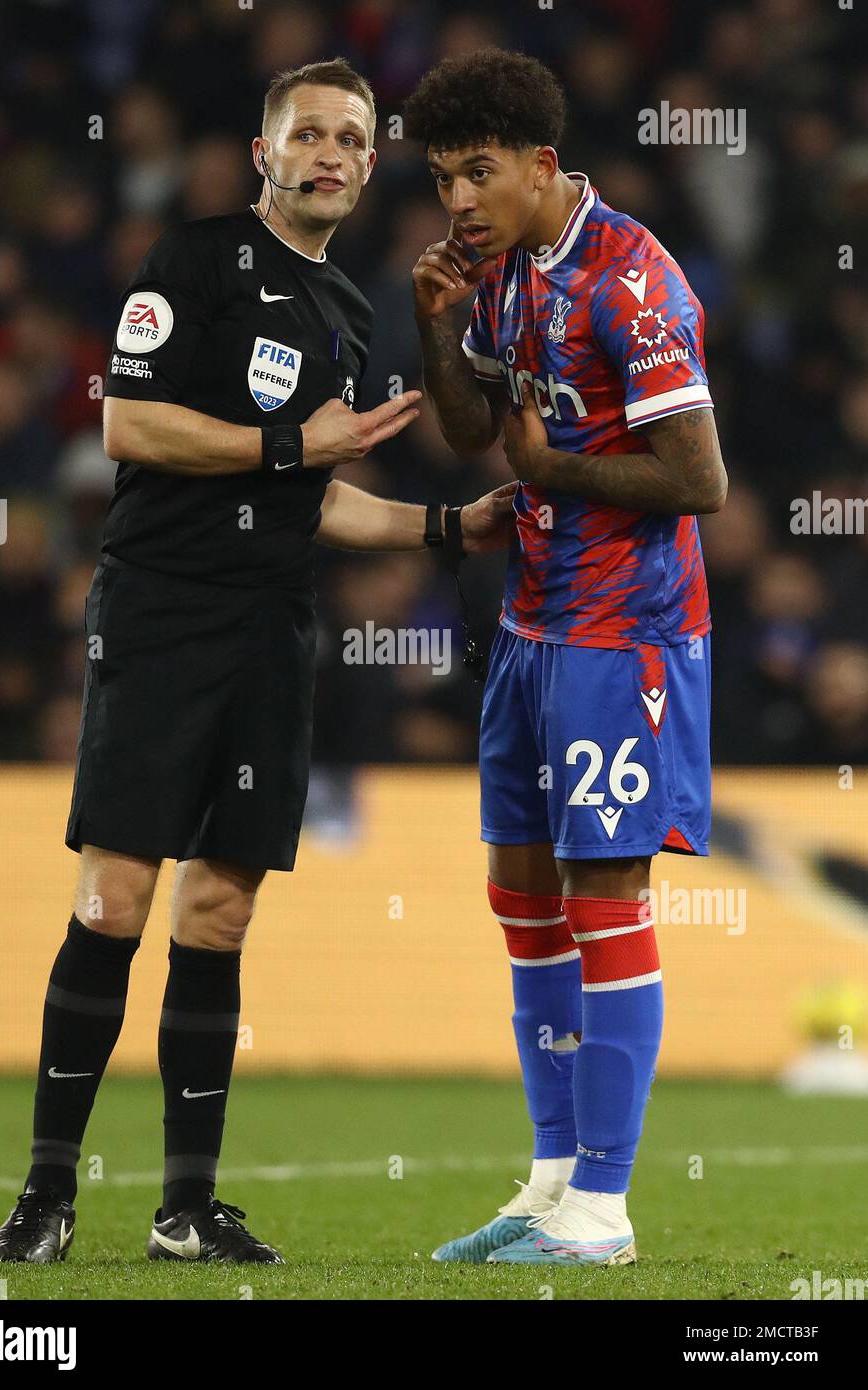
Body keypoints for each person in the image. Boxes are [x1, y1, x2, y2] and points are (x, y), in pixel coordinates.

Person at [0, 57, 515, 1267]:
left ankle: (186, 1206)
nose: (329, 153)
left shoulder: (347, 312)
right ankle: (46, 1193)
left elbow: (311, 497)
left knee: (218, 911)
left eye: (350, 138)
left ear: (370, 167)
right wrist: (290, 441)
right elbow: (130, 422)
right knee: (114, 895)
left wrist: (446, 527)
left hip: (272, 630)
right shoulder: (193, 260)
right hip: (163, 610)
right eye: (307, 134)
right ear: (267, 152)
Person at [406, 47, 727, 1266]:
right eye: (442, 177)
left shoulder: (631, 279)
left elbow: (699, 480)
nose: (458, 200)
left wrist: (550, 474)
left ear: (543, 165)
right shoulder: (499, 273)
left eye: (477, 172)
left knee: (603, 898)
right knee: (520, 893)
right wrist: (436, 324)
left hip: (624, 636)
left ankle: (604, 1205)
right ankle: (545, 1183)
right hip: (534, 625)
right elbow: (468, 426)